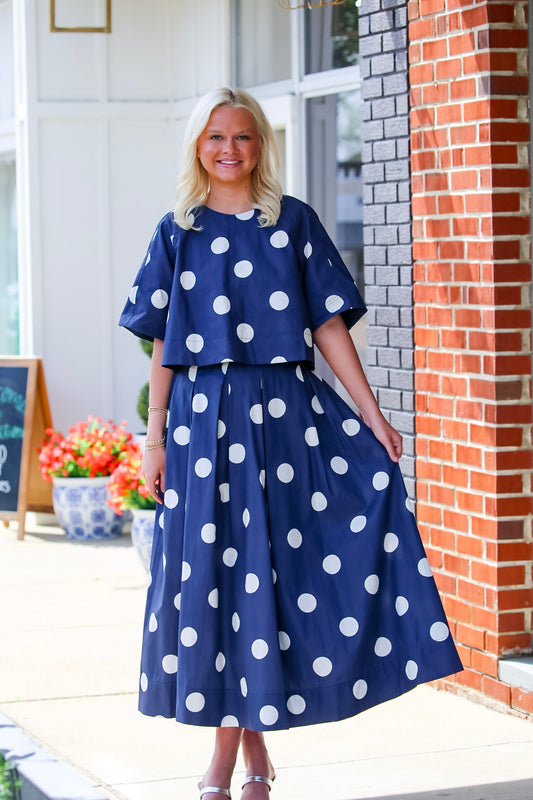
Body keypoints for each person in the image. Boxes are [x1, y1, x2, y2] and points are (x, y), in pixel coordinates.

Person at [119, 87, 462, 799]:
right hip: (201, 425)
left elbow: (329, 327)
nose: (228, 149)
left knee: (272, 579)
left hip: (285, 420)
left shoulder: (291, 223)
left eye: (242, 137)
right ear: (197, 146)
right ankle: (240, 758)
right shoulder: (175, 230)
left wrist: (371, 416)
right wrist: (153, 439)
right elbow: (163, 346)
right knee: (219, 582)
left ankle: (239, 761)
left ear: (259, 146)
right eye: (214, 136)